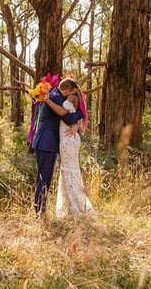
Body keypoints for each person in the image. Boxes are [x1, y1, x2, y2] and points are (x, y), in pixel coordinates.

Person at [31, 79, 81, 216]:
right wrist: (80, 115)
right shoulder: (56, 97)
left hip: (46, 143)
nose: (70, 96)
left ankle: (40, 211)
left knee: (44, 178)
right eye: (71, 93)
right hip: (46, 143)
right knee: (44, 179)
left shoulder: (53, 95)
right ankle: (39, 213)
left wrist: (76, 124)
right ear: (67, 90)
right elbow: (67, 116)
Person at [54, 79, 93, 218]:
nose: (60, 92)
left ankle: (77, 207)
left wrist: (48, 101)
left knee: (69, 170)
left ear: (69, 90)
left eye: (62, 89)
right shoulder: (75, 97)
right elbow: (74, 118)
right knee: (69, 170)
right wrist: (76, 125)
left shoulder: (70, 98)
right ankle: (70, 206)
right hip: (70, 137)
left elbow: (65, 114)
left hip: (68, 139)